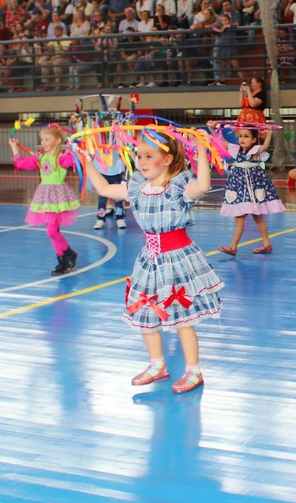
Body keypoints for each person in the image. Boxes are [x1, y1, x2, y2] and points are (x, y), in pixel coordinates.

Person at [85, 132, 221, 394]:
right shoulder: (138, 188)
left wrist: (202, 150)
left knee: (182, 319)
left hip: (178, 260)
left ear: (167, 159)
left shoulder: (178, 188)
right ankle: (157, 365)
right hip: (149, 260)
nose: (142, 161)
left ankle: (194, 371)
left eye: (149, 156)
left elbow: (203, 185)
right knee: (146, 312)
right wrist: (87, 160)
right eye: (139, 156)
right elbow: (104, 189)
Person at [9, 126, 81, 275]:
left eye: (47, 139)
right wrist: (14, 147)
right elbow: (21, 163)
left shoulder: (61, 157)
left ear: (58, 140)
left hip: (58, 197)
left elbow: (72, 160)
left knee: (51, 231)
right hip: (44, 196)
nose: (43, 142)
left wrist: (75, 148)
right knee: (53, 230)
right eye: (42, 139)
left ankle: (68, 254)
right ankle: (61, 259)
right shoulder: (40, 157)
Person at [213, 124, 284, 256]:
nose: (242, 139)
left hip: (251, 190)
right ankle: (264, 244)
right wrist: (213, 129)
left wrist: (269, 133)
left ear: (254, 139)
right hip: (240, 189)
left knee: (252, 217)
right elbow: (221, 141)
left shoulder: (255, 151)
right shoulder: (236, 149)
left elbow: (265, 146)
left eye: (246, 136)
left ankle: (235, 246)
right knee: (247, 217)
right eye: (240, 136)